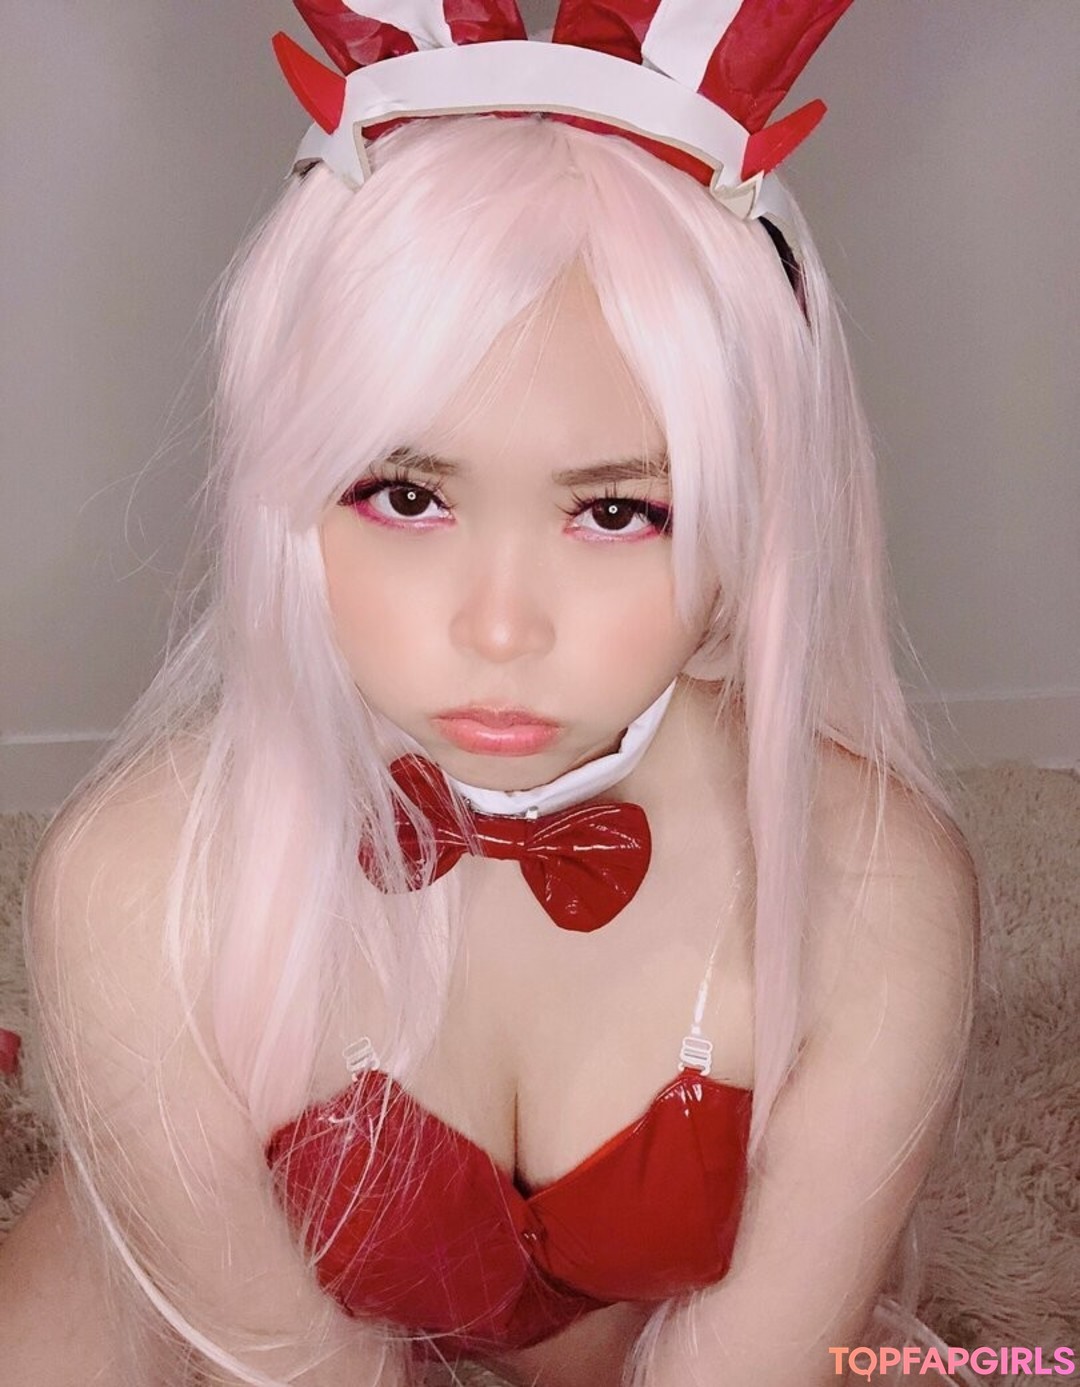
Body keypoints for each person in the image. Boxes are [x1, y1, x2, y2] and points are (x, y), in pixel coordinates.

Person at [0, 3, 978, 1385]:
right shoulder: (133, 887)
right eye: (408, 496)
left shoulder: (874, 894)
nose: (500, 628)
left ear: (751, 523)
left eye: (617, 512)